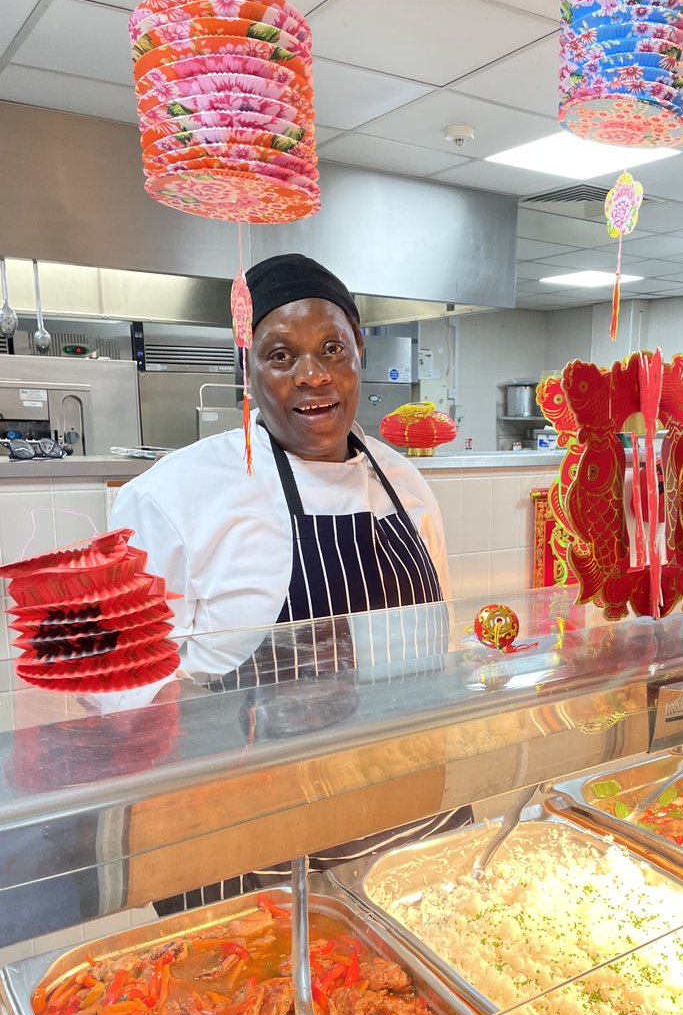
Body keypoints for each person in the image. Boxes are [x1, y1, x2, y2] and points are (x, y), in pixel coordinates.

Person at [109, 253, 469, 912]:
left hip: (406, 828)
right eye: (282, 355)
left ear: (360, 350)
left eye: (333, 347)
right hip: (252, 856)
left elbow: (432, 644)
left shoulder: (408, 485)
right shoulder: (175, 496)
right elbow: (117, 683)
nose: (314, 375)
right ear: (248, 369)